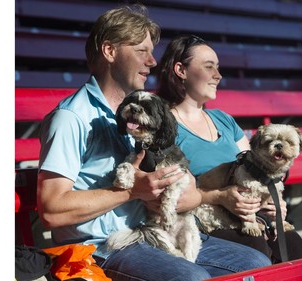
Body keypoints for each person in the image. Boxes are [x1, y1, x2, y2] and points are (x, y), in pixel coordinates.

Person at [37, 5, 271, 281]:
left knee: (257, 263)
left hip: (153, 232)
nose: (152, 62)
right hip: (102, 247)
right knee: (191, 278)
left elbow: (180, 182)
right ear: (110, 52)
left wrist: (185, 189)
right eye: (141, 51)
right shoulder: (72, 117)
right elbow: (51, 211)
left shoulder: (142, 112)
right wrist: (129, 192)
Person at [156, 34, 302, 264]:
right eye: (209, 67)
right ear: (181, 70)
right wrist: (220, 197)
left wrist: (272, 204)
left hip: (249, 216)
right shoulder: (166, 128)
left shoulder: (224, 120)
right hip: (203, 222)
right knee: (256, 248)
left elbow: (258, 167)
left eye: (218, 68)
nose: (218, 75)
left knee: (295, 246)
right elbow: (174, 199)